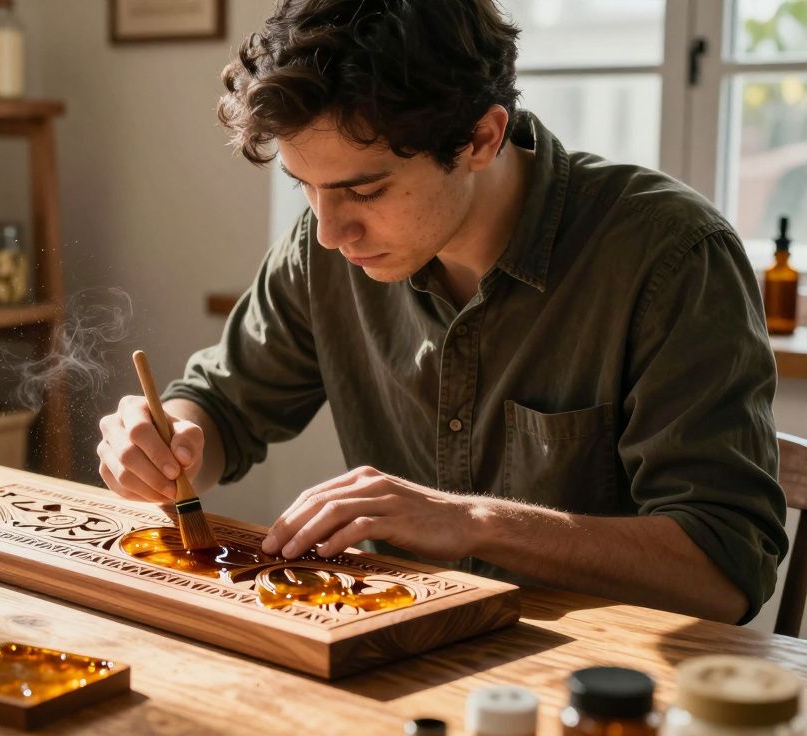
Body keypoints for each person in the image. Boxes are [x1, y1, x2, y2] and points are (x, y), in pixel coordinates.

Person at [96, 0, 789, 625]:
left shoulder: (668, 256)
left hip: (602, 685)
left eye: (363, 191)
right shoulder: (322, 248)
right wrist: (170, 441)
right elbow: (222, 408)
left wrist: (475, 521)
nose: (332, 231)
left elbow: (724, 570)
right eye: (305, 185)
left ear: (483, 139)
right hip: (391, 650)